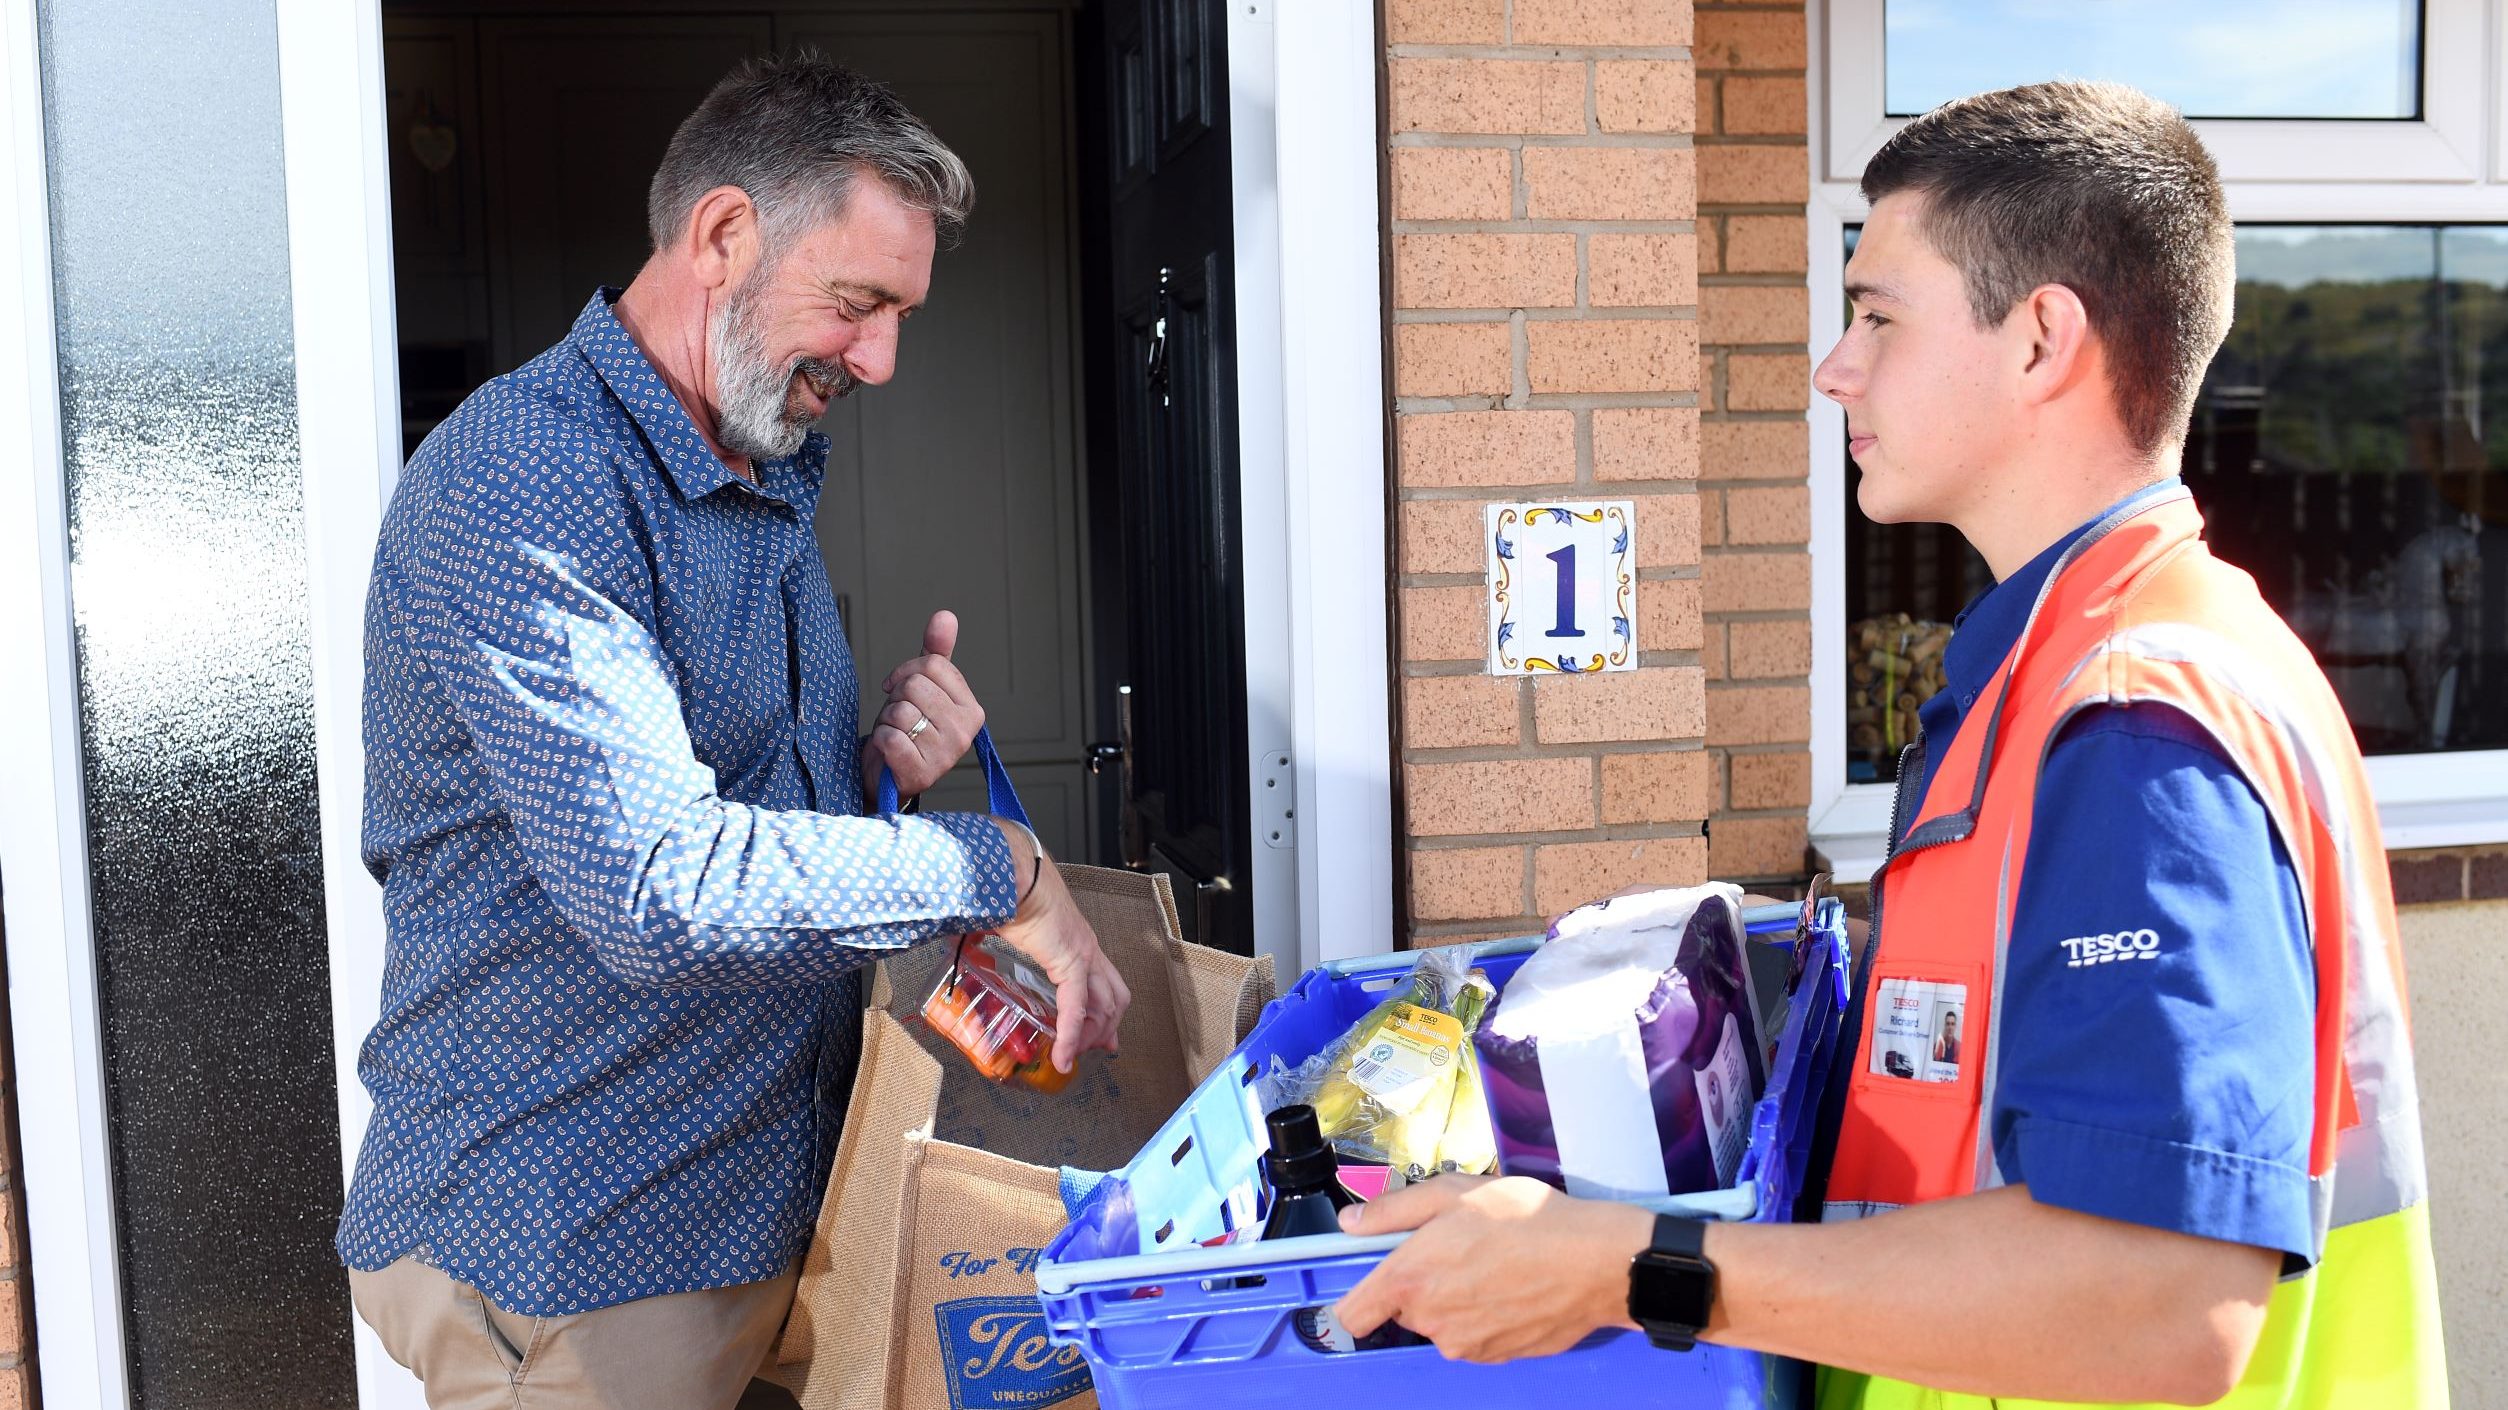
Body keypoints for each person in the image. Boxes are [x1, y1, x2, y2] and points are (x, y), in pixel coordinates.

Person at [1333, 81, 2446, 1408]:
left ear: (2042, 340)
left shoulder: (2134, 721)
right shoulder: (2073, 665)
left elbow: (2159, 1308)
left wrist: (1630, 1265)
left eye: (1877, 313)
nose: (1833, 366)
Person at [337, 54, 1131, 1410]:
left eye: (899, 314)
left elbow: (733, 806)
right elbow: (665, 887)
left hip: (764, 1213)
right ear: (719, 236)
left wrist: (873, 773)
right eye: (858, 302)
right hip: (585, 1254)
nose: (881, 356)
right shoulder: (528, 483)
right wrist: (999, 866)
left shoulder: (751, 465)